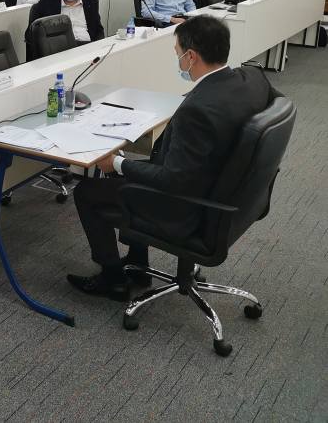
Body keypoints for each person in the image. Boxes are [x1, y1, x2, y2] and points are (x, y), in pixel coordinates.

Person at [66, 16, 276, 301]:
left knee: (87, 191)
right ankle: (138, 263)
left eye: (177, 53)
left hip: (189, 204)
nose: (177, 60)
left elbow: (172, 180)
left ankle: (113, 279)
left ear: (191, 57)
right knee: (128, 171)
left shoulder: (198, 109)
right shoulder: (252, 78)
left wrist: (116, 163)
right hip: (231, 193)